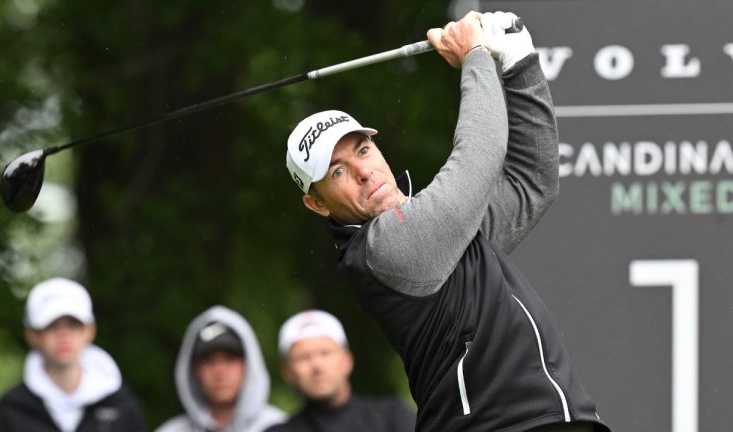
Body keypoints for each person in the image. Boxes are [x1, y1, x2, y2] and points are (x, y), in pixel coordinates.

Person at [284, 10, 610, 432]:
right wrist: (474, 55)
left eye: (362, 150)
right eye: (337, 173)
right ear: (318, 204)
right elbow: (481, 154)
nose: (364, 172)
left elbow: (533, 182)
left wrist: (519, 63)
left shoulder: (447, 236)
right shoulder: (385, 247)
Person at [0, 278, 145, 432]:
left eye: (73, 324)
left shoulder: (123, 408)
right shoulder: (6, 414)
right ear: (32, 335)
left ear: (90, 331)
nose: (63, 335)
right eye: (51, 325)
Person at [266, 309, 415, 432]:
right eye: (303, 358)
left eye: (325, 353)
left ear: (347, 360)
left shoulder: (392, 416)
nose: (317, 366)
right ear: (287, 372)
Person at [156, 305, 285, 432]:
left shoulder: (281, 428)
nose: (220, 371)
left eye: (230, 359)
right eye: (208, 361)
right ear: (193, 370)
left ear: (249, 364)